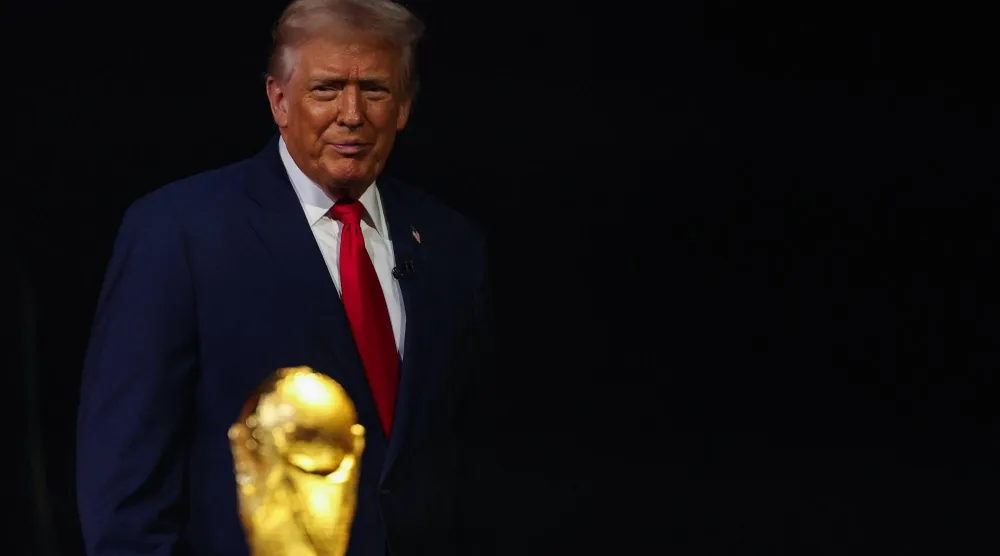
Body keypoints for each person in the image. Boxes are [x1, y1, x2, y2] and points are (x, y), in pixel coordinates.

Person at [76, 1, 496, 555]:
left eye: (374, 89)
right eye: (326, 89)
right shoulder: (178, 232)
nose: (352, 113)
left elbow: (469, 458)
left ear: (404, 107)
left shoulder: (449, 243)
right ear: (279, 100)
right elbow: (124, 478)